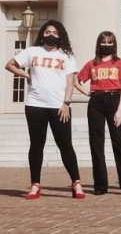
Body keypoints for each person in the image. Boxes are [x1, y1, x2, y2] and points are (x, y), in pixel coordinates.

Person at [5, 19, 85, 200]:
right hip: (35, 104)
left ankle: (76, 183)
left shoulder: (66, 55)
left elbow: (70, 82)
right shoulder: (32, 52)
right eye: (47, 32)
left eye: (55, 33)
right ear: (42, 34)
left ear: (60, 36)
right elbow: (10, 64)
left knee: (65, 146)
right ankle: (35, 185)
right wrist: (27, 74)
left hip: (59, 106)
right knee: (36, 145)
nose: (51, 35)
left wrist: (66, 103)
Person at [75, 31, 121, 196]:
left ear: (114, 45)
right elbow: (76, 80)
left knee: (119, 142)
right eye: (104, 42)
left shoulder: (120, 63)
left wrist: (120, 110)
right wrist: (86, 92)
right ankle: (100, 185)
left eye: (110, 42)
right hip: (96, 102)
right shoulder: (91, 64)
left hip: (114, 99)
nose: (107, 45)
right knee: (96, 143)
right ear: (99, 44)